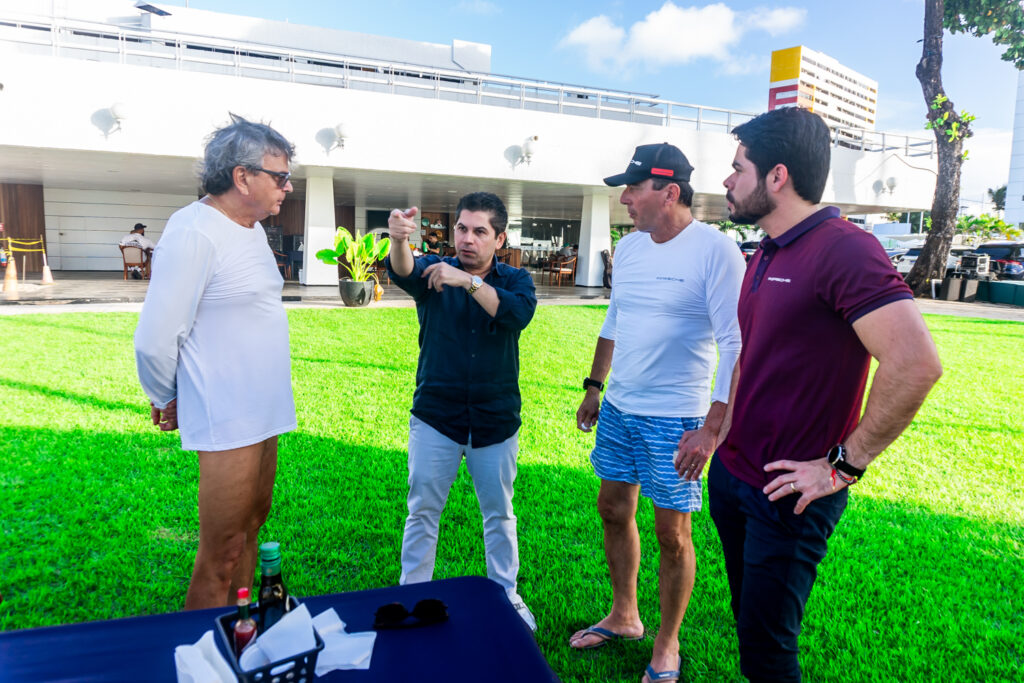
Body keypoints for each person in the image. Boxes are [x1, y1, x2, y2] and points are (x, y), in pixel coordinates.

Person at [705, 107, 942, 682]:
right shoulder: (762, 251)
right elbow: (752, 359)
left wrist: (842, 466)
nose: (727, 180)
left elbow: (916, 365)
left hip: (793, 492)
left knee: (768, 652)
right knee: (748, 624)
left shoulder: (846, 248)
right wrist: (721, 433)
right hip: (736, 474)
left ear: (777, 176)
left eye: (738, 168)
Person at [570, 143, 745, 683]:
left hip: (679, 419)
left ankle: (666, 645)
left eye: (634, 188)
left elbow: (736, 343)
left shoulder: (716, 251)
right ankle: (625, 616)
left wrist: (712, 427)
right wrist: (595, 386)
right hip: (621, 406)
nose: (625, 198)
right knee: (612, 507)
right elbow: (614, 320)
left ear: (669, 192)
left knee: (673, 535)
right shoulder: (631, 249)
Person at [134, 115, 298, 610]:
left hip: (263, 410)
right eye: (280, 176)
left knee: (250, 532)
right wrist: (167, 397)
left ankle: (238, 637)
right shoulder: (195, 230)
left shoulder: (247, 229)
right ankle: (200, 660)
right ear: (242, 176)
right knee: (221, 553)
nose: (287, 187)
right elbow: (156, 336)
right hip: (227, 416)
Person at [386, 192, 539, 630]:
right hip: (437, 416)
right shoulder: (433, 270)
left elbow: (514, 315)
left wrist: (466, 282)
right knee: (423, 511)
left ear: (499, 237)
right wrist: (399, 240)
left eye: (479, 231)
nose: (467, 239)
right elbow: (404, 269)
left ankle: (506, 597)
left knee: (499, 514)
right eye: (461, 229)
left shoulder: (516, 281)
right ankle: (412, 595)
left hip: (495, 421)